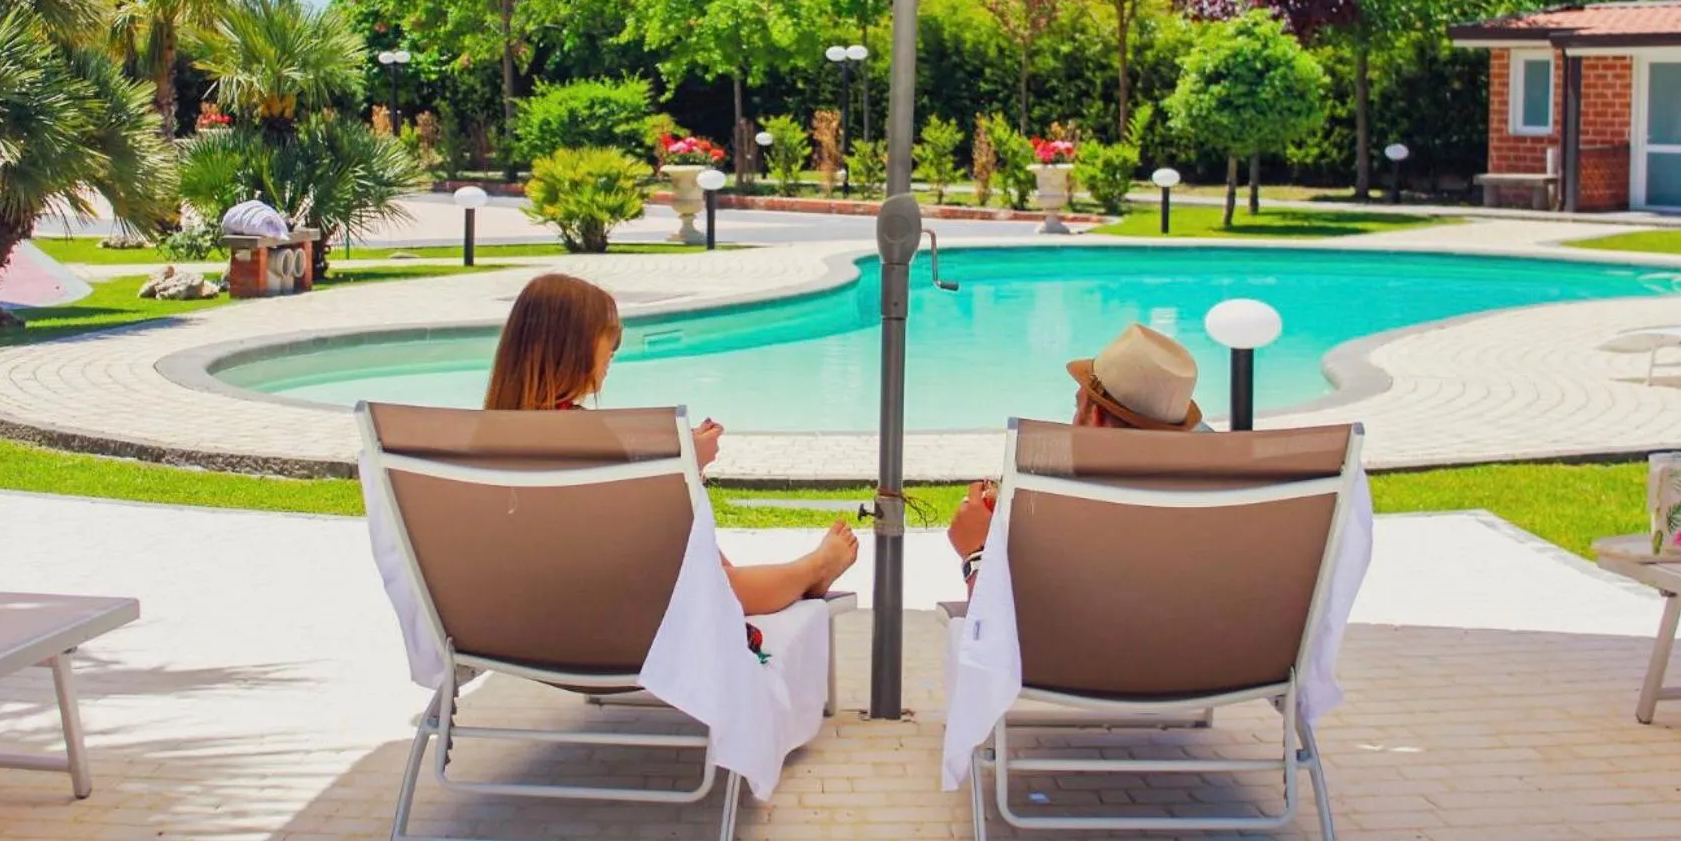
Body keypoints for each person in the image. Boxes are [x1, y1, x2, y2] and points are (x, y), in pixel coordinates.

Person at [484, 273, 858, 615]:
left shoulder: (480, 442)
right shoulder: (584, 436)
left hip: (527, 617)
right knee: (717, 587)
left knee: (703, 567)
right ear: (572, 345)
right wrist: (687, 466)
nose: (614, 349)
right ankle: (812, 569)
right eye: (610, 336)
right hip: (610, 616)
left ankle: (800, 571)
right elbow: (636, 526)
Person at [948, 323, 1205, 592]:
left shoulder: (1080, 539)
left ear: (1095, 417)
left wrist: (977, 555)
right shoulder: (1209, 514)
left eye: (1077, 405)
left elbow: (1000, 631)